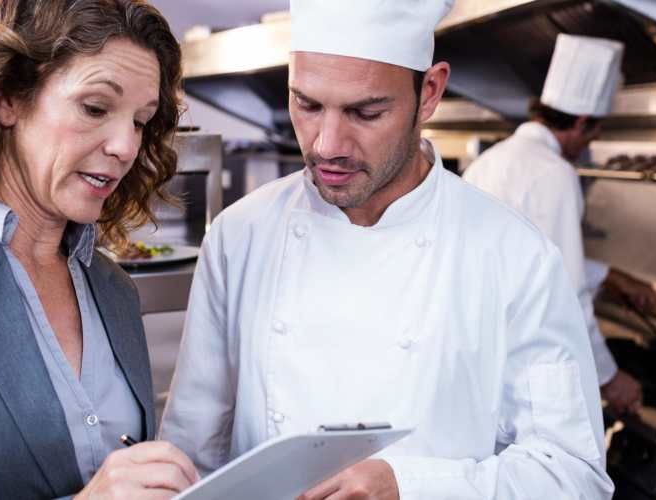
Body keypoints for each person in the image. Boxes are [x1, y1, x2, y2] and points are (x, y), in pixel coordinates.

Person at [160, 1, 614, 498]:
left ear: (430, 93)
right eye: (307, 104)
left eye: (366, 111)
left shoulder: (515, 256)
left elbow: (573, 475)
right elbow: (188, 458)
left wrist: (412, 487)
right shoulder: (238, 237)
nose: (327, 143)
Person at [0, 1, 198, 498]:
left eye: (140, 121)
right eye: (95, 108)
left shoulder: (113, 289)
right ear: (7, 98)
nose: (125, 147)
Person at [465, 34, 656, 415]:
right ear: (583, 123)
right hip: (521, 369)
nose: (596, 139)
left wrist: (610, 277)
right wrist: (607, 378)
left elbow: (526, 263)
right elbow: (565, 291)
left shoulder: (493, 159)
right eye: (597, 130)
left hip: (481, 359)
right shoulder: (553, 173)